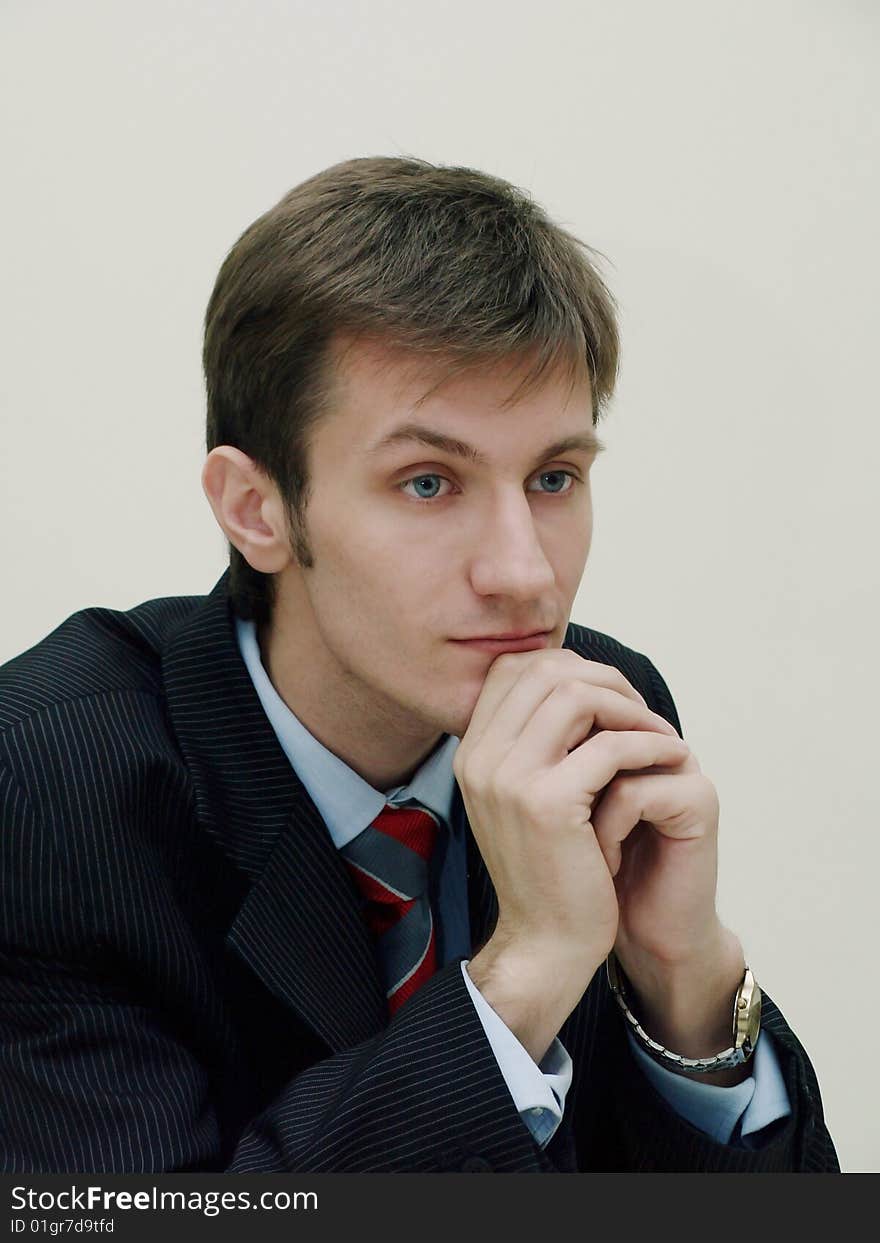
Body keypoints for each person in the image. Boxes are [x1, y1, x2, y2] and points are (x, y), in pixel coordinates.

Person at [0, 156, 838, 1173]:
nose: (526, 575)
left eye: (554, 476)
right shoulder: (48, 782)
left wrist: (686, 975)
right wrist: (522, 978)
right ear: (255, 508)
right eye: (429, 482)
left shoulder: (597, 717)